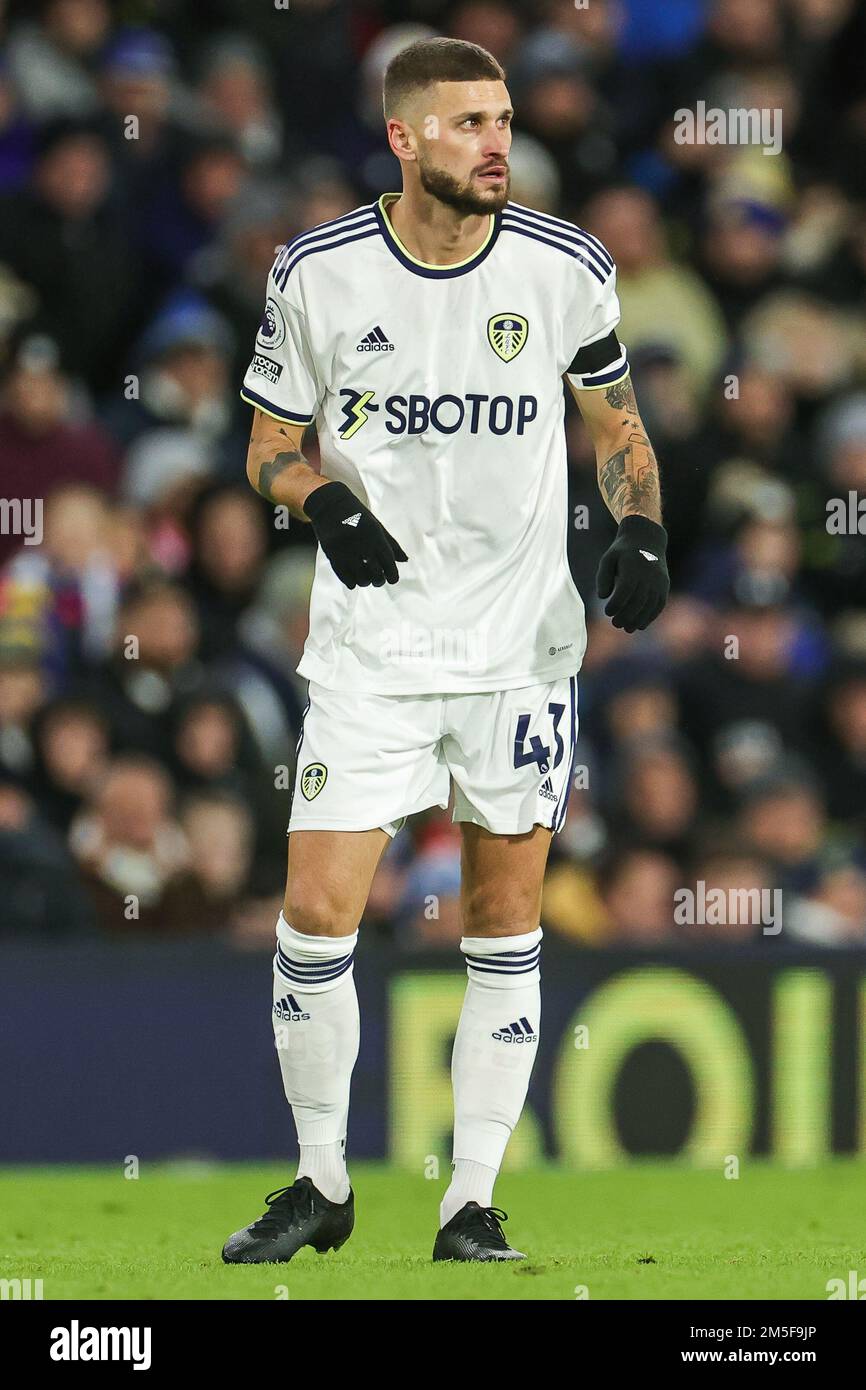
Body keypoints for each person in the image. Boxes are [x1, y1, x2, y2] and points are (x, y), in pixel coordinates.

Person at [222, 37, 670, 1267]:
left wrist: (638, 524)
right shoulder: (316, 272)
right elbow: (267, 444)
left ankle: (468, 1203)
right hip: (370, 649)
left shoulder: (563, 264)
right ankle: (320, 1180)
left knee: (500, 916)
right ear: (403, 137)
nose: (496, 142)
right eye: (469, 121)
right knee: (315, 911)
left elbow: (616, 424)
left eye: (505, 119)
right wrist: (319, 503)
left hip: (519, 648)